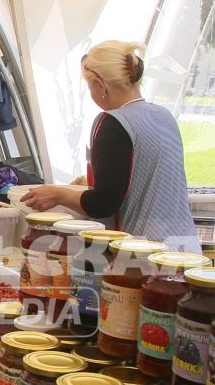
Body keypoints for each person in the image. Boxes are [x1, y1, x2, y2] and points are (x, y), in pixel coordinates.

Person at [21, 40, 195, 246]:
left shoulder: (113, 122)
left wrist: (58, 194)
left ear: (101, 85)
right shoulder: (164, 115)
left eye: (90, 87)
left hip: (143, 253)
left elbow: (103, 203)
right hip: (185, 246)